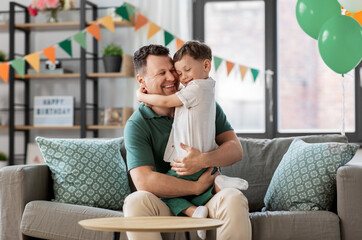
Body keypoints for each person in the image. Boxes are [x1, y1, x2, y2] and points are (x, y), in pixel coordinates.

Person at [124, 44, 251, 240]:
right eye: (162, 73)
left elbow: (235, 150)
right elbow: (144, 181)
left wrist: (202, 160)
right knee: (135, 201)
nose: (173, 77)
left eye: (172, 70)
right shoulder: (137, 124)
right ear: (142, 80)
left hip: (209, 196)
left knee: (233, 198)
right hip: (167, 203)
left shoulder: (202, 103)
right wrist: (194, 187)